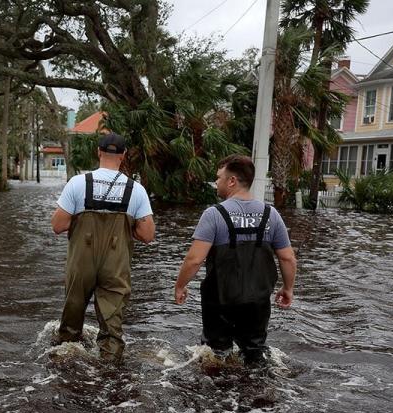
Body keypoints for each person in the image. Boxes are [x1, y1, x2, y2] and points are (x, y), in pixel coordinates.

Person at [174, 154, 297, 365]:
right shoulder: (271, 215)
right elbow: (287, 258)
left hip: (220, 300)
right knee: (254, 353)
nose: (216, 182)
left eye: (219, 177)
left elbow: (194, 259)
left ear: (232, 181)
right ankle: (257, 393)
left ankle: (217, 394)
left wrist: (180, 285)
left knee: (215, 355)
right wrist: (288, 288)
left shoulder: (214, 214)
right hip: (257, 301)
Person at [51, 133, 156, 360]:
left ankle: (65, 366)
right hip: (116, 264)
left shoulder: (78, 183)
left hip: (81, 262)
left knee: (71, 321)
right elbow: (148, 235)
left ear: (98, 152)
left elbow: (58, 225)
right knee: (112, 327)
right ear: (123, 155)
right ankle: (110, 372)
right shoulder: (135, 190)